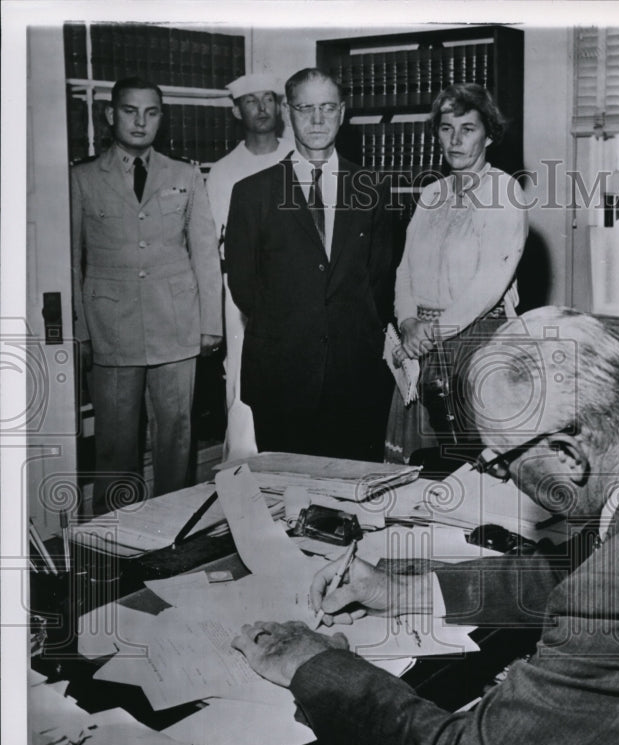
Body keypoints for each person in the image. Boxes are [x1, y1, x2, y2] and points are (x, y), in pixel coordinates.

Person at [233, 307, 619, 745]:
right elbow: (586, 573)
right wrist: (409, 591)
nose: (500, 475)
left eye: (501, 461)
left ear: (567, 455)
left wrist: (315, 664)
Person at [224, 68, 394, 462]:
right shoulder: (252, 193)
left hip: (355, 376)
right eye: (305, 108)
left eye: (327, 108)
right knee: (287, 502)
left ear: (343, 112)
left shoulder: (372, 188)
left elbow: (380, 278)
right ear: (287, 111)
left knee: (352, 502)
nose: (317, 120)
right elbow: (244, 286)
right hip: (281, 375)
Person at [71, 77, 222, 514]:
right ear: (109, 114)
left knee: (176, 435)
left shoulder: (185, 174)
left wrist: (210, 323)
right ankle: (115, 536)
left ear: (161, 117)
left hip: (175, 324)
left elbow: (205, 253)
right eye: (129, 111)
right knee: (116, 443)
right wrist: (81, 331)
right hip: (111, 330)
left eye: (151, 112)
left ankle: (172, 531)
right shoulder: (81, 178)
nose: (140, 122)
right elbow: (70, 261)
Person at [385, 83, 528, 465]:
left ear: (489, 134)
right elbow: (405, 270)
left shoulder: (505, 192)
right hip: (419, 344)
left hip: (475, 344)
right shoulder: (432, 194)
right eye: (447, 129)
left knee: (469, 468)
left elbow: (486, 286)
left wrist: (430, 333)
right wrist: (408, 320)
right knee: (417, 469)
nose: (456, 139)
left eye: (468, 129)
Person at [206, 72, 294, 461]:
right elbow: (214, 242)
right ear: (236, 110)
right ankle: (243, 466)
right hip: (242, 288)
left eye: (269, 99)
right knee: (243, 378)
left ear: (280, 107)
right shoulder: (224, 171)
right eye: (251, 101)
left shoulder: (298, 156)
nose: (261, 108)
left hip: (295, 283)